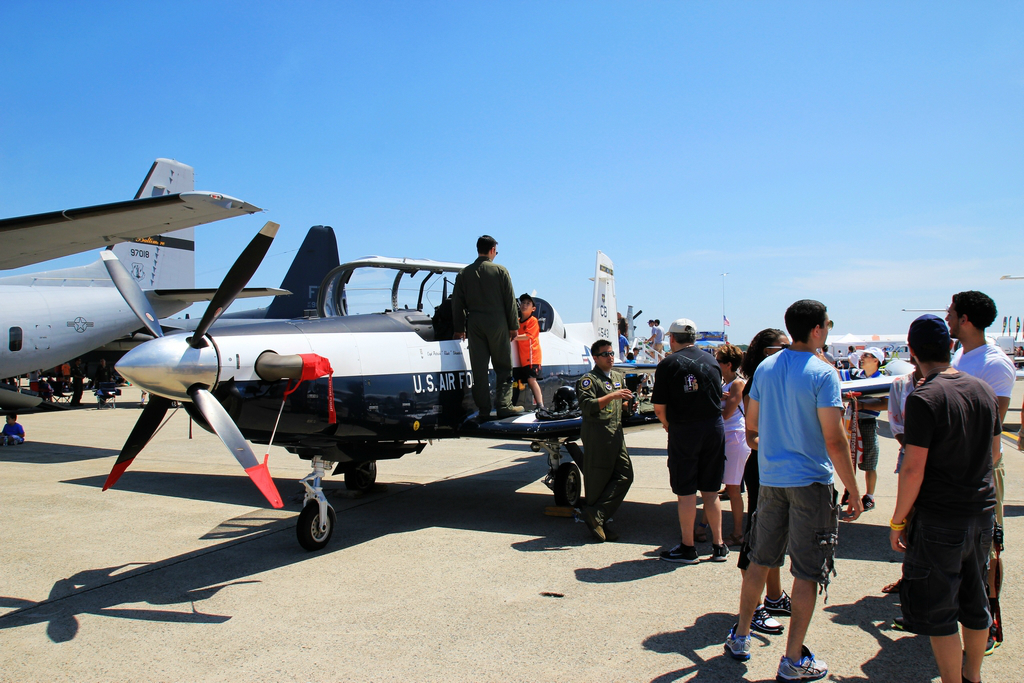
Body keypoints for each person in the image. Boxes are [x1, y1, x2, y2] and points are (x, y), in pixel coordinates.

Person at [724, 300, 863, 681]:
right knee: (806, 571)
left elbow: (751, 429)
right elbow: (835, 439)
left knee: (760, 560)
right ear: (817, 329)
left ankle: (740, 636)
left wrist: (775, 446)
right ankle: (792, 658)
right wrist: (853, 489)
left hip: (771, 481)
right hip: (810, 483)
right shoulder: (823, 373)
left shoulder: (765, 369)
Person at [890, 314, 1000, 683]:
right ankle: (973, 676)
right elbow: (995, 453)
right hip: (981, 512)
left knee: (939, 612)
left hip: (940, 518)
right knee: (975, 601)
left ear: (912, 351)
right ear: (950, 347)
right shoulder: (982, 390)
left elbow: (913, 468)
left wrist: (898, 519)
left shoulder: (924, 396)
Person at [945, 290, 1016, 654]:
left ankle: (989, 623)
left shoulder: (994, 364)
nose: (946, 317)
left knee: (989, 549)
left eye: (952, 312)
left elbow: (993, 424)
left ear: (966, 320)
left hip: (983, 471)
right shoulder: (962, 355)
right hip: (958, 471)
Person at [654, 318, 728, 565]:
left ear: (672, 339)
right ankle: (719, 545)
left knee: (686, 491)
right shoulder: (711, 361)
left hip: (686, 430)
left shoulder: (668, 363)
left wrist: (668, 425)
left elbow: (659, 408)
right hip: (714, 428)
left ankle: (688, 547)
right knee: (711, 489)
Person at [736, 329, 792, 637]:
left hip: (775, 466)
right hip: (763, 467)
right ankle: (754, 607)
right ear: (766, 351)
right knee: (757, 540)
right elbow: (752, 435)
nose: (788, 351)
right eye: (781, 347)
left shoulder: (777, 379)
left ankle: (774, 596)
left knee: (775, 536)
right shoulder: (760, 381)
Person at [451, 235, 521, 421]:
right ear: (492, 250)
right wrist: (514, 326)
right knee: (504, 367)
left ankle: (483, 410)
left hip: (474, 324)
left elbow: (457, 303)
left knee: (479, 369)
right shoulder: (500, 271)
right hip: (498, 323)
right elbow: (510, 301)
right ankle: (504, 406)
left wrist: (459, 328)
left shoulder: (464, 273)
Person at [575, 339, 634, 542]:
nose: (610, 357)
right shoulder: (589, 380)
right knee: (598, 480)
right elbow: (587, 406)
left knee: (625, 475)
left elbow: (620, 403)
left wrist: (626, 406)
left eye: (611, 353)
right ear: (595, 358)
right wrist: (613, 395)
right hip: (598, 435)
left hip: (616, 434)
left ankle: (597, 514)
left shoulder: (617, 376)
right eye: (605, 354)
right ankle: (599, 522)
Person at [880, 356, 923, 595]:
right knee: (909, 516)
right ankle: (909, 576)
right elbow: (895, 423)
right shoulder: (901, 384)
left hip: (943, 464)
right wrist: (914, 450)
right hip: (910, 456)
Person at [839, 347, 887, 511]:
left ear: (876, 360)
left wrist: (862, 405)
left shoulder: (882, 379)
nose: (862, 358)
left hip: (867, 422)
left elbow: (886, 403)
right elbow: (836, 372)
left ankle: (870, 496)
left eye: (866, 356)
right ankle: (850, 491)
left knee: (869, 461)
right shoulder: (855, 375)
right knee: (849, 458)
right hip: (851, 422)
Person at [714, 343, 749, 547]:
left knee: (734, 489)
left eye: (718, 360)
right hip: (725, 437)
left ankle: (738, 533)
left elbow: (727, 414)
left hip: (735, 437)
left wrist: (711, 404)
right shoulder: (723, 384)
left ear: (727, 364)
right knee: (726, 488)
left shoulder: (737, 384)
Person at [512, 293, 544, 409]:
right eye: (523, 303)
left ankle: (540, 404)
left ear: (533, 309)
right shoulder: (518, 321)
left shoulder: (533, 321)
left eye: (528, 304)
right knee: (525, 381)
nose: (524, 305)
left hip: (532, 357)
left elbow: (528, 336)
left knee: (532, 380)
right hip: (523, 358)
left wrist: (513, 337)